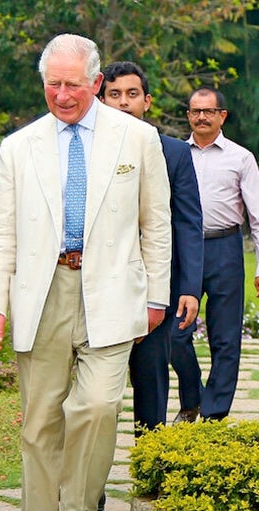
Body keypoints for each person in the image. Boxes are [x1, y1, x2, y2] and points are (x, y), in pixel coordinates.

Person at [0, 34, 171, 511]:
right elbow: (2, 233)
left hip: (111, 292)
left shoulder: (138, 138)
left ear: (97, 82)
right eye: (53, 84)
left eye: (73, 85)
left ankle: (80, 505)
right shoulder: (18, 147)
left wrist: (157, 296)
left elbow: (157, 223)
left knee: (100, 407)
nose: (62, 95)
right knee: (40, 420)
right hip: (41, 295)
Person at [99, 61, 204, 433]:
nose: (124, 103)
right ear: (100, 99)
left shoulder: (174, 152)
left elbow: (188, 223)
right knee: (97, 390)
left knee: (151, 376)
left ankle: (150, 458)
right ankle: (89, 476)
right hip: (100, 282)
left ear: (147, 101)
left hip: (156, 284)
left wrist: (190, 287)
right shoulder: (88, 149)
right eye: (114, 95)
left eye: (132, 94)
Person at [170, 85, 259, 422]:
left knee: (225, 339)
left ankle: (213, 414)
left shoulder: (241, 158)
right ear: (189, 115)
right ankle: (192, 399)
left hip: (225, 249)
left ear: (222, 115)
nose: (201, 117)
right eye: (195, 111)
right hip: (182, 251)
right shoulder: (177, 154)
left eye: (208, 111)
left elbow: (257, 217)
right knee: (175, 334)